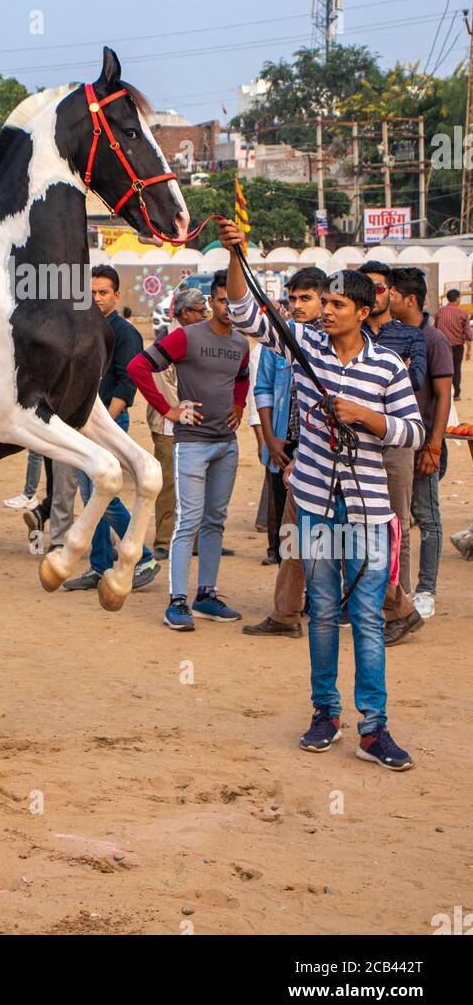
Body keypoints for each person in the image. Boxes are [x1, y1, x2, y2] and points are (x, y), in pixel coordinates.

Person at [221, 217, 423, 771]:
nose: (326, 310)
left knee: (367, 617)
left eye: (338, 304)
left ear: (363, 312)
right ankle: (325, 714)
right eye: (324, 302)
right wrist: (237, 255)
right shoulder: (301, 343)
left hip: (369, 509)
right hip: (312, 503)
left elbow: (414, 430)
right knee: (324, 611)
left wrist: (368, 418)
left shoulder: (387, 366)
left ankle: (374, 729)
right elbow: (245, 314)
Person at [128, 270, 249, 630]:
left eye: (236, 301)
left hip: (225, 445)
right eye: (224, 300)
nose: (229, 307)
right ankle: (177, 601)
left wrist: (239, 406)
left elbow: (242, 378)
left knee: (215, 521)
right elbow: (138, 367)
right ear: (211, 302)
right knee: (188, 521)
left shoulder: (241, 344)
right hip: (192, 444)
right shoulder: (186, 337)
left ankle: (206, 596)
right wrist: (168, 409)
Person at [62, 265, 159, 593]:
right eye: (91, 293)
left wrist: (106, 424)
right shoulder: (83, 328)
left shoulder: (125, 332)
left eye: (103, 293)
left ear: (116, 295)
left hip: (107, 423)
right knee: (91, 495)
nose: (96, 298)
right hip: (84, 424)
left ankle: (142, 556)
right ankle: (100, 565)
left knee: (100, 495)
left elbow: (126, 382)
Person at [244, 267, 325, 636]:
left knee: (321, 531)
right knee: (289, 531)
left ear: (325, 300)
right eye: (292, 298)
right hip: (284, 443)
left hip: (321, 452)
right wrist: (270, 441)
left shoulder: (331, 343)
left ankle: (314, 603)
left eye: (305, 298)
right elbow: (261, 389)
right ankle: (290, 607)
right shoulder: (278, 341)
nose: (296, 306)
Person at [358, 260, 429, 644]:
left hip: (396, 442)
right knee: (356, 527)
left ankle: (398, 612)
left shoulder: (410, 335)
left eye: (380, 288)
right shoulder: (349, 333)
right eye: (367, 288)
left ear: (390, 292)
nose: (375, 294)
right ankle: (369, 604)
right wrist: (391, 373)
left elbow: (415, 379)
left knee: (396, 527)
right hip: (356, 444)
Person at [389, 267, 454, 618]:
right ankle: (397, 589)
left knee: (427, 518)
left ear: (409, 299)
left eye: (393, 294)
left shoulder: (433, 340)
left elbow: (443, 396)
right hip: (395, 441)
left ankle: (426, 589)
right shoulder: (389, 336)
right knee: (396, 520)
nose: (387, 298)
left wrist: (434, 445)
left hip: (423, 443)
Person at [145, 286, 208, 561]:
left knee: (197, 483)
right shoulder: (166, 340)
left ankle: (196, 541)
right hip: (169, 424)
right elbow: (159, 382)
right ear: (185, 313)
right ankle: (163, 540)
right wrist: (180, 411)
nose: (204, 315)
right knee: (169, 483)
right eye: (200, 311)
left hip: (197, 422)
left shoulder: (199, 337)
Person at [434, 288, 472, 400]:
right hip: (457, 346)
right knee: (456, 369)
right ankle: (456, 394)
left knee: (443, 369)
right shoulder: (463, 313)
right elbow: (467, 334)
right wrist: (469, 350)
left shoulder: (440, 311)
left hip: (442, 346)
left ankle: (442, 393)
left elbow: (435, 328)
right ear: (458, 299)